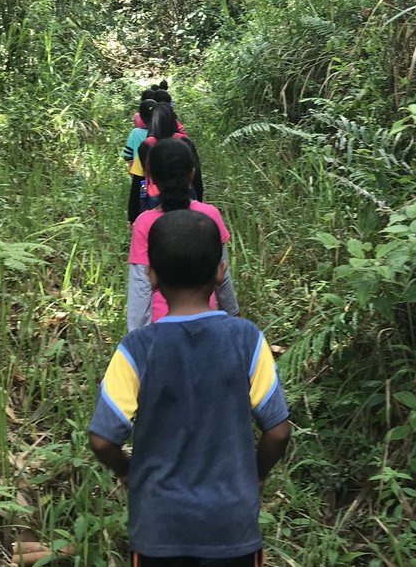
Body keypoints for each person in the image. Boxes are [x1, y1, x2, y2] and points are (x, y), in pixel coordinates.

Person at [89, 209, 290, 565]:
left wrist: (126, 472)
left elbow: (103, 439)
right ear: (220, 271)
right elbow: (277, 431)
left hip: (158, 530)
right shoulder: (247, 339)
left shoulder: (137, 349)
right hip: (233, 528)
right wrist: (255, 476)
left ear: (150, 276)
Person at [127, 138, 237, 330]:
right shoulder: (210, 215)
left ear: (151, 178)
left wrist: (138, 339)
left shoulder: (144, 223)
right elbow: (223, 275)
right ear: (192, 174)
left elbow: (141, 287)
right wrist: (234, 318)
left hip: (161, 328)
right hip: (207, 323)